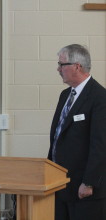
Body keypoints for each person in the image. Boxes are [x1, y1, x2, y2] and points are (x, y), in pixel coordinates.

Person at [48, 44, 106, 220]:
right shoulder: (65, 95)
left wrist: (89, 182)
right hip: (60, 184)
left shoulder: (99, 97)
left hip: (85, 190)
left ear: (77, 66)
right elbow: (58, 137)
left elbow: (100, 145)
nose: (58, 69)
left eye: (62, 64)